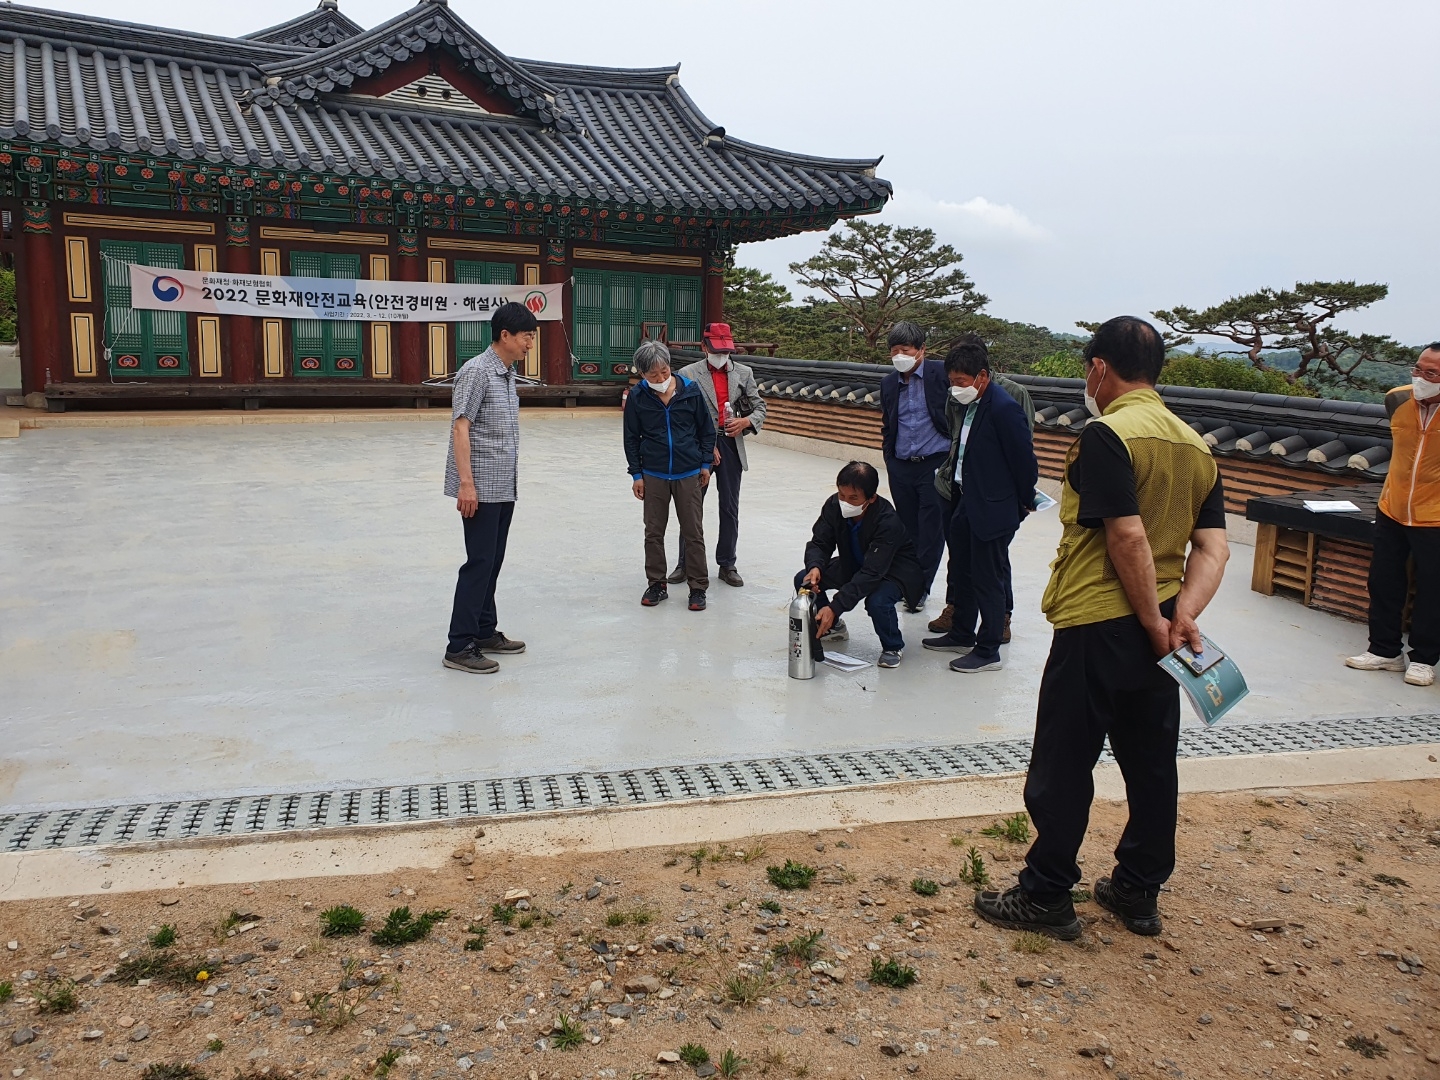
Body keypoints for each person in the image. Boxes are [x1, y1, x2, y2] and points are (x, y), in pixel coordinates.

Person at [974, 316, 1229, 939]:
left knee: (1064, 760)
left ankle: (1046, 893)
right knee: (1151, 762)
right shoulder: (1197, 446)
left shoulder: (1106, 436)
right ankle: (1138, 890)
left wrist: (1147, 621)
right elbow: (1213, 548)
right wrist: (1180, 617)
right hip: (1166, 625)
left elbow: (1126, 534)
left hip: (1099, 621)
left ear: (1099, 368)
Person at [921, 337, 1038, 672]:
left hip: (993, 506)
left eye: (961, 382)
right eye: (952, 382)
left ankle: (988, 650)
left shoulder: (1003, 408)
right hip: (965, 499)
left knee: (988, 578)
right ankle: (961, 633)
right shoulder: (969, 404)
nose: (955, 389)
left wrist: (1023, 502)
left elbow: (1024, 460)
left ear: (982, 377)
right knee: (964, 570)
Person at [442, 302, 537, 674]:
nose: (530, 343)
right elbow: (460, 426)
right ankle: (459, 644)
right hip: (480, 486)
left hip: (503, 484)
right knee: (479, 562)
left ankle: (483, 630)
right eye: (527, 336)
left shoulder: (508, 373)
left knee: (493, 561)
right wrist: (466, 484)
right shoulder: (477, 372)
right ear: (505, 336)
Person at [1345, 343, 1440, 687]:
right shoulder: (1397, 399)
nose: (1421, 378)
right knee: (1383, 581)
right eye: (1418, 369)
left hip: (1436, 515)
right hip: (1393, 506)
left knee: (1434, 590)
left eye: (1431, 374)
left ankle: (1425, 658)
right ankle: (1384, 650)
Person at [797, 461, 927, 669]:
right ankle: (833, 626)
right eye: (841, 495)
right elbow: (820, 541)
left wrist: (835, 606)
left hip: (892, 572)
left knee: (877, 601)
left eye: (853, 498)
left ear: (871, 498)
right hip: (854, 562)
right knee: (803, 580)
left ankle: (892, 646)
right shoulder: (833, 506)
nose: (845, 502)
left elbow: (872, 573)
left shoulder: (887, 521)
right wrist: (815, 566)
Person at [670, 323, 768, 587]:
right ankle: (685, 563)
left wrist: (746, 422)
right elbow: (682, 415)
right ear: (704, 347)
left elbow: (760, 407)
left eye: (726, 351)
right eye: (717, 351)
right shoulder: (687, 373)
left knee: (729, 506)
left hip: (731, 443)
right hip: (698, 444)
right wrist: (704, 443)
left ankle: (727, 563)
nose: (722, 356)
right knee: (691, 506)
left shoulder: (744, 372)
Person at [623, 339, 715, 611]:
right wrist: (636, 474)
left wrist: (705, 464)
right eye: (653, 375)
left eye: (664, 371)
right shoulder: (638, 396)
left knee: (693, 532)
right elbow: (631, 438)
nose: (661, 378)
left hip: (688, 472)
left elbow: (706, 431)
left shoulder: (691, 391)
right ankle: (657, 584)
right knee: (653, 532)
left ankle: (698, 587)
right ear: (642, 374)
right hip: (654, 473)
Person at [880, 321, 951, 610]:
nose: (899, 356)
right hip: (901, 465)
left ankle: (920, 588)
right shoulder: (888, 383)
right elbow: (888, 424)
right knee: (908, 529)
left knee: (931, 529)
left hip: (934, 462)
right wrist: (890, 459)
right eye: (894, 351)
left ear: (922, 350)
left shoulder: (941, 374)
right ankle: (906, 582)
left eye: (905, 350)